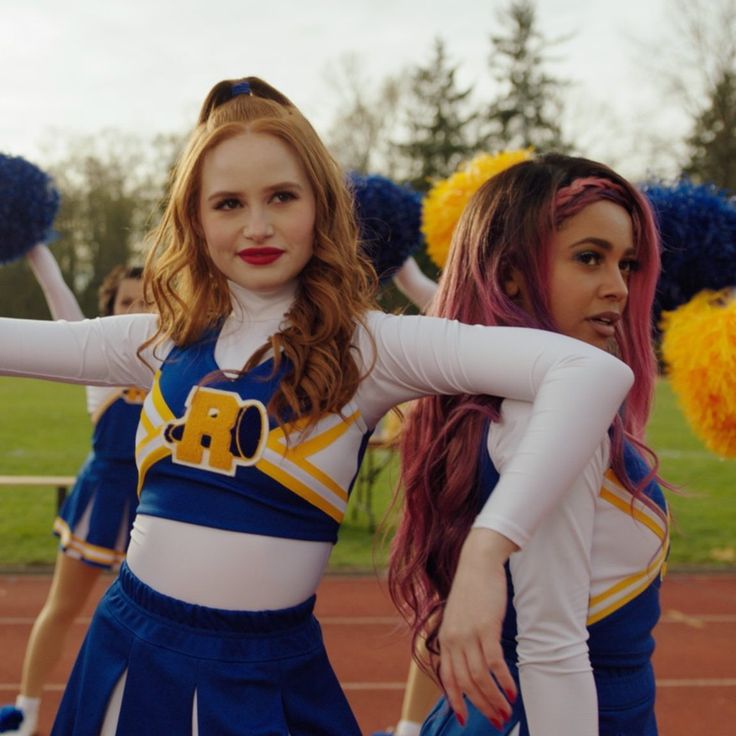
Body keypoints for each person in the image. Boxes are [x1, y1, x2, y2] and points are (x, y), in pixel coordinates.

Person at [0, 79, 634, 736]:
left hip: (267, 677)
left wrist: (487, 549)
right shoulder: (159, 337)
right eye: (228, 203)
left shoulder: (372, 345)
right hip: (130, 656)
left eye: (281, 196)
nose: (257, 226)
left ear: (322, 206)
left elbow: (587, 373)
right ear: (194, 219)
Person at [390, 154, 669, 735]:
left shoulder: (501, 405)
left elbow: (453, 618)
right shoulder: (549, 418)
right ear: (511, 273)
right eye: (589, 258)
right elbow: (553, 652)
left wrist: (415, 725)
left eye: (627, 263)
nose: (618, 288)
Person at [0, 248, 147, 736]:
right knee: (62, 607)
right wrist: (39, 251)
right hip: (101, 496)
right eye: (127, 302)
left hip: (156, 505)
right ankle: (26, 713)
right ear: (110, 312)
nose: (137, 309)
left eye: (149, 300)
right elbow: (61, 305)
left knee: (141, 626)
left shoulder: (175, 362)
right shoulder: (100, 362)